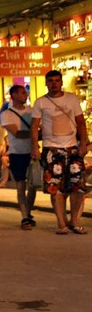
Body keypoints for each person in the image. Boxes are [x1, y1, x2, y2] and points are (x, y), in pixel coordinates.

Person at [30, 69, 89, 235]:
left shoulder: (71, 98)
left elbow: (81, 123)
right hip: (52, 149)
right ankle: (61, 223)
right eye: (50, 81)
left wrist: (83, 144)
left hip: (73, 148)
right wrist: (35, 146)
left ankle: (74, 221)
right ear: (46, 83)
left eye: (57, 80)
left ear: (61, 82)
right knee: (55, 187)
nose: (54, 84)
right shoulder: (40, 102)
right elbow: (34, 127)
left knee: (78, 187)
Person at [0, 84, 36, 230]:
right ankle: (24, 216)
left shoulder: (32, 111)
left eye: (25, 92)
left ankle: (28, 212)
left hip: (32, 152)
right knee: (20, 186)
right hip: (17, 153)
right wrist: (34, 133)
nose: (25, 95)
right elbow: (17, 133)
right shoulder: (6, 114)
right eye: (21, 93)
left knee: (33, 185)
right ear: (13, 95)